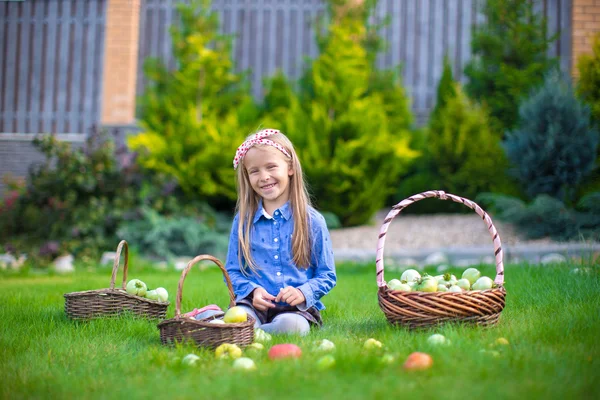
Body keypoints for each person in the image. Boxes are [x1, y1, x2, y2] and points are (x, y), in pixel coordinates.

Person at [222, 128, 337, 336]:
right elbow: (232, 271)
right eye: (254, 171)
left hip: (296, 311)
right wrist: (252, 291)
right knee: (240, 317)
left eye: (271, 167)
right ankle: (246, 330)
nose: (264, 177)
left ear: (290, 168)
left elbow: (327, 275)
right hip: (254, 306)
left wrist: (303, 292)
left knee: (293, 328)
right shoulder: (243, 222)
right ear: (246, 176)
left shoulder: (312, 221)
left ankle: (252, 335)